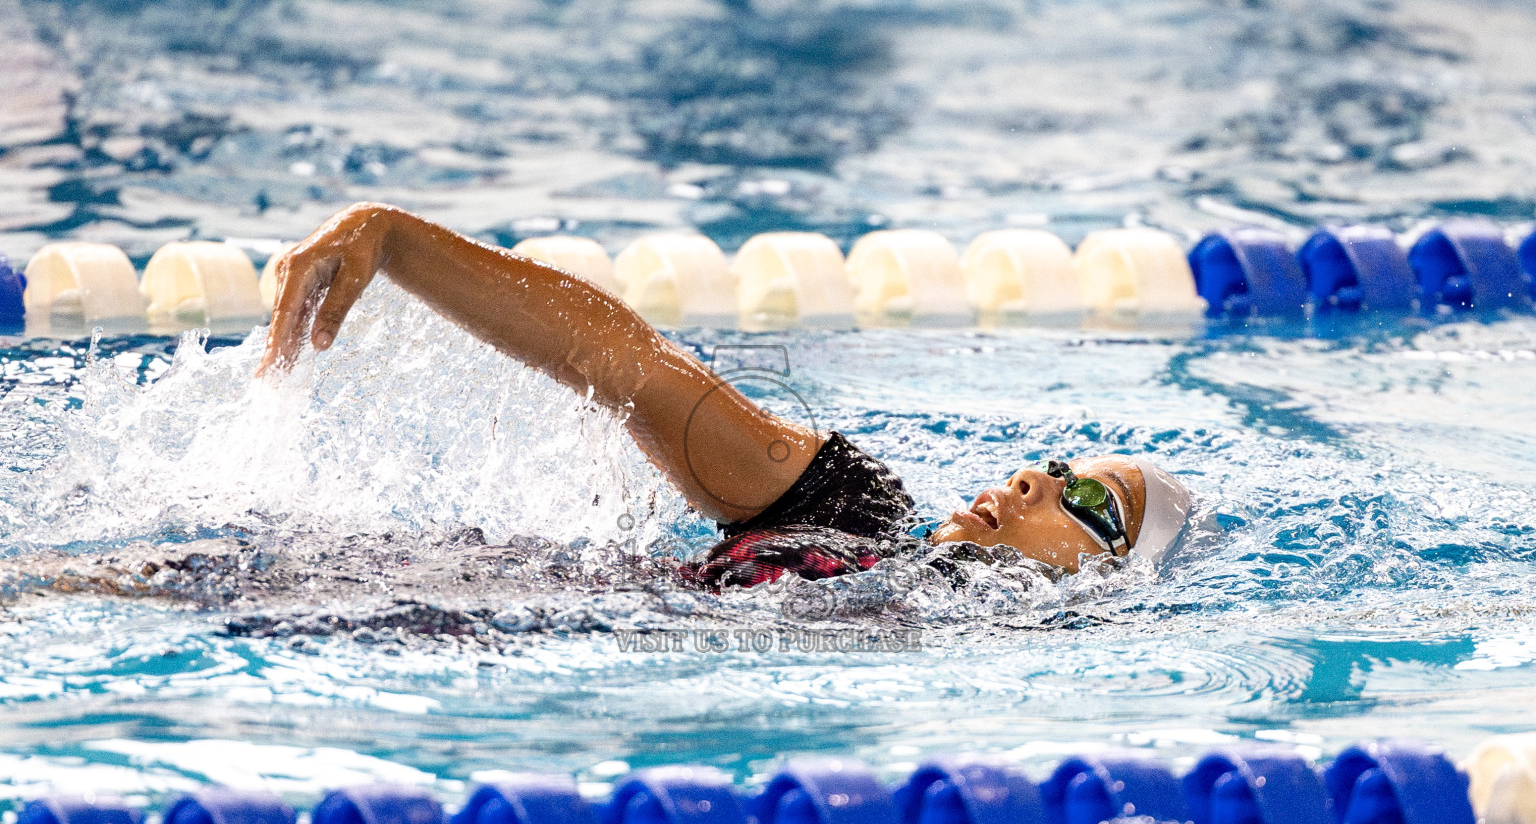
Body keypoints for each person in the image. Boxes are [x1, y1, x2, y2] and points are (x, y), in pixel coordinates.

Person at [260, 203, 1193, 590]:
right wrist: (397, 240)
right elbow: (632, 368)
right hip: (463, 590)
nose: (1035, 481)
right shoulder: (853, 508)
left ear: (1111, 580)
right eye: (1057, 469)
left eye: (1086, 502)